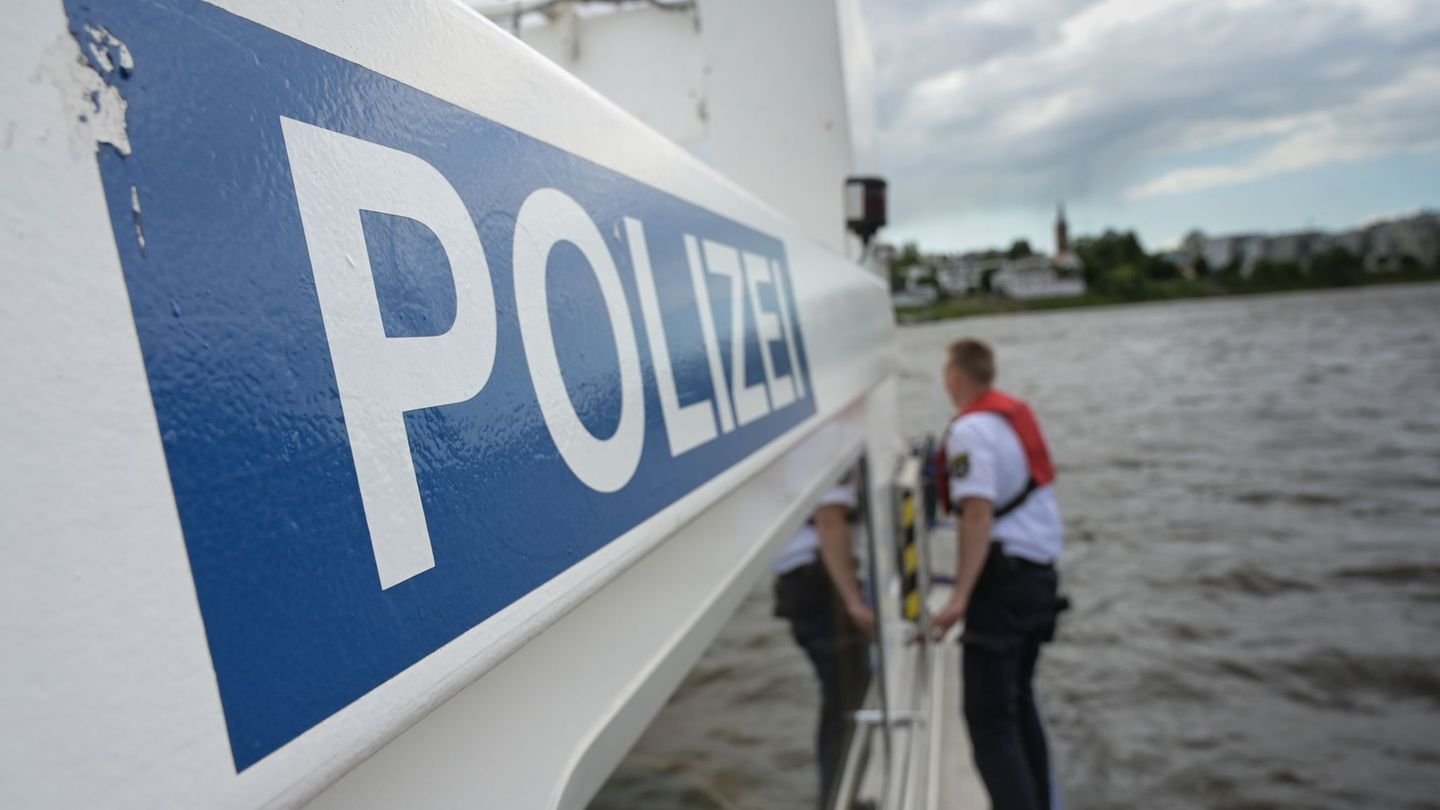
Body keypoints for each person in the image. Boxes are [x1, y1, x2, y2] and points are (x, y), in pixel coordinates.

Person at [929, 338, 1064, 810]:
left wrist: (960, 596)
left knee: (988, 720)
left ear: (956, 377)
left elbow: (977, 514)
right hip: (1040, 579)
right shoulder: (1009, 423)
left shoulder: (969, 431)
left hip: (1003, 584)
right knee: (1018, 704)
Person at [772, 473, 875, 808]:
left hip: (806, 582)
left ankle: (839, 795)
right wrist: (854, 601)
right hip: (820, 584)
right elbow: (830, 521)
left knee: (840, 702)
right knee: (847, 703)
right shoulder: (831, 442)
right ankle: (839, 797)